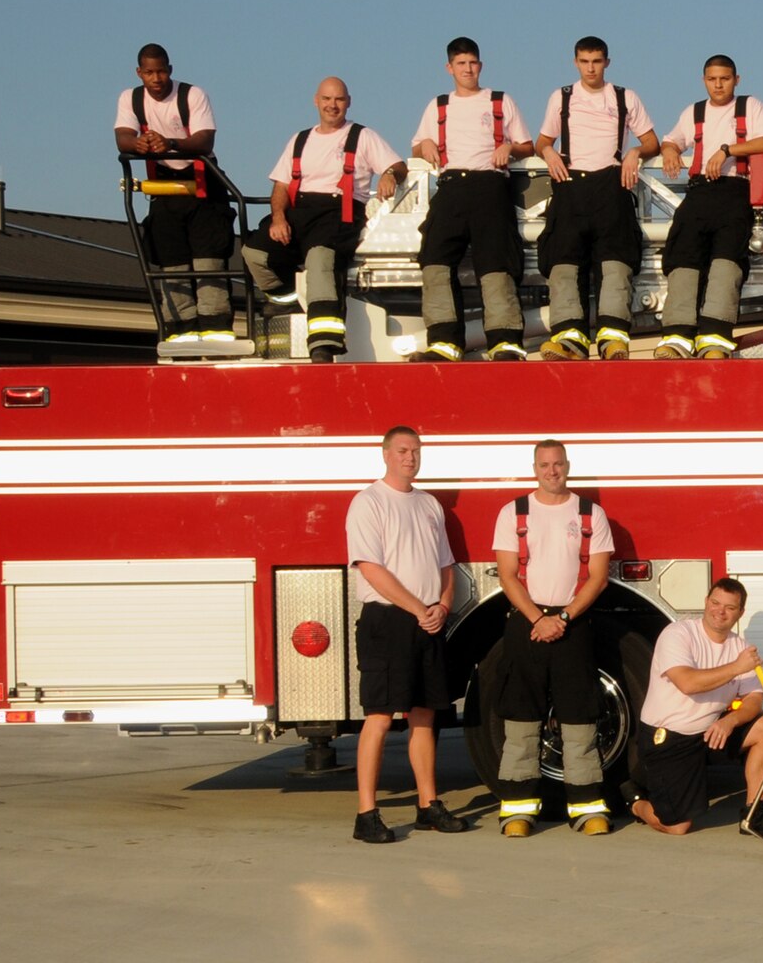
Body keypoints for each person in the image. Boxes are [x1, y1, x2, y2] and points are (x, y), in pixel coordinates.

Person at [344, 426, 470, 842]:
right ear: (385, 454)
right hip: (388, 621)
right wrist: (419, 608)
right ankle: (367, 813)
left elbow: (446, 566)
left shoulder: (430, 505)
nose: (410, 457)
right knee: (380, 717)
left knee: (424, 715)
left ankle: (427, 805)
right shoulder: (369, 502)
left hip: (428, 621)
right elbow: (373, 570)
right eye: (402, 450)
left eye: (415, 451)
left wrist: (443, 606)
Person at [489, 440, 616, 836]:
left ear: (568, 466)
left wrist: (561, 618)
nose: (551, 471)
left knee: (580, 717)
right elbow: (507, 574)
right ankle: (517, 811)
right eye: (544, 465)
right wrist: (537, 619)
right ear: (534, 468)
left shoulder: (590, 514)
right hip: (527, 624)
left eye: (557, 464)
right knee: (521, 717)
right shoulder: (513, 513)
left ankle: (587, 807)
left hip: (572, 625)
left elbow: (598, 576)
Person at [243, 78, 407, 362]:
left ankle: (323, 344)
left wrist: (391, 174)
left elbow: (397, 165)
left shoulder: (362, 136)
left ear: (349, 102)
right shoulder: (299, 139)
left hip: (339, 213)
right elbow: (281, 186)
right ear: (316, 101)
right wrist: (278, 218)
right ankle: (288, 299)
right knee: (254, 252)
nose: (333, 105)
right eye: (327, 99)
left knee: (320, 260)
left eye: (339, 100)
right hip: (298, 212)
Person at [624, 578, 763, 838]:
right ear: (706, 602)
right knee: (677, 827)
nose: (720, 612)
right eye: (715, 603)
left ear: (740, 613)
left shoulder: (740, 648)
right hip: (669, 737)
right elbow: (688, 683)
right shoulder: (678, 634)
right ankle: (633, 799)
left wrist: (730, 721)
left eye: (730, 608)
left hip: (709, 732)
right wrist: (736, 667)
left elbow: (754, 700)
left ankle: (753, 813)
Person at [532, 37, 660, 361]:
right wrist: (547, 151)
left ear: (607, 62)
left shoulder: (624, 97)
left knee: (614, 262)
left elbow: (651, 142)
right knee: (563, 263)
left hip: (611, 184)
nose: (591, 68)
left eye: (597, 61)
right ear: (575, 62)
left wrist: (634, 152)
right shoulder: (561, 97)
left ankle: (614, 340)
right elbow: (542, 141)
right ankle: (568, 340)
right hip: (570, 185)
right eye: (585, 61)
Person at [409, 37, 535, 362]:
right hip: (451, 187)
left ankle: (505, 341)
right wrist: (423, 146)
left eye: (473, 63)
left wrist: (510, 147)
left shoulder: (500, 100)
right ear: (449, 68)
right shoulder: (438, 106)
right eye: (461, 64)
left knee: (496, 262)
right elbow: (416, 146)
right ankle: (444, 342)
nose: (468, 69)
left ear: (481, 65)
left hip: (490, 187)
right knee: (435, 258)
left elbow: (527, 145)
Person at [654, 55, 763, 359]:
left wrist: (727, 151)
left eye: (724, 79)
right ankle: (677, 337)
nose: (718, 85)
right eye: (712, 79)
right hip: (698, 194)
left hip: (735, 193)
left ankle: (715, 338)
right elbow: (672, 140)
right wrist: (669, 150)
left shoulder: (751, 107)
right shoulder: (694, 112)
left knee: (726, 261)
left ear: (736, 80)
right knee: (683, 258)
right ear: (704, 80)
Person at [113, 43, 235, 347]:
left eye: (162, 71)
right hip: (164, 192)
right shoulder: (130, 98)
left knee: (209, 263)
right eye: (150, 73)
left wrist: (168, 143)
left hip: (205, 188)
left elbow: (205, 140)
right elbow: (122, 137)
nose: (157, 79)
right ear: (139, 73)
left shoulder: (192, 95)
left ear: (171, 69)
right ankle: (181, 333)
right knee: (172, 265)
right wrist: (138, 145)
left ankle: (216, 331)